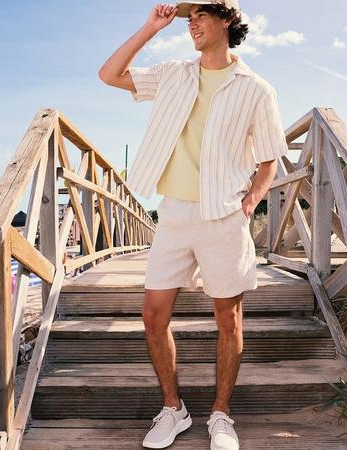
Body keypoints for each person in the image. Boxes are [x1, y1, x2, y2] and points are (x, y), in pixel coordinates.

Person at [98, 1, 288, 448]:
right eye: (189, 17)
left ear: (227, 20)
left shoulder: (257, 89)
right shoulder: (174, 73)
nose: (192, 23)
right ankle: (174, 408)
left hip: (224, 215)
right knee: (152, 315)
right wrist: (150, 28)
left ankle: (221, 414)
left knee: (229, 319)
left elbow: (269, 160)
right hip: (174, 214)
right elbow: (109, 74)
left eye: (201, 14)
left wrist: (248, 204)